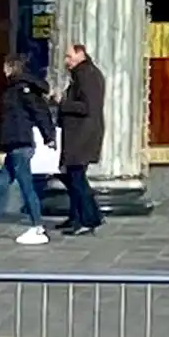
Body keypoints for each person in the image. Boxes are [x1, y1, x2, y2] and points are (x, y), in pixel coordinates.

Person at [0, 58, 52, 241]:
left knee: (26, 185)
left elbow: (39, 112)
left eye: (5, 66)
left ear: (11, 68)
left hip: (21, 143)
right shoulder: (13, 89)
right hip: (13, 143)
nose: (3, 70)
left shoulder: (22, 89)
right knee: (0, 184)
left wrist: (48, 136)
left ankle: (37, 226)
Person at [58, 41, 107, 237]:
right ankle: (78, 216)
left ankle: (89, 218)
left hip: (82, 136)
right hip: (79, 135)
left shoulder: (87, 75)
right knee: (72, 176)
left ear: (80, 55)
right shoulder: (82, 75)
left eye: (69, 56)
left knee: (77, 178)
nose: (66, 61)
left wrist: (63, 104)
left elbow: (87, 106)